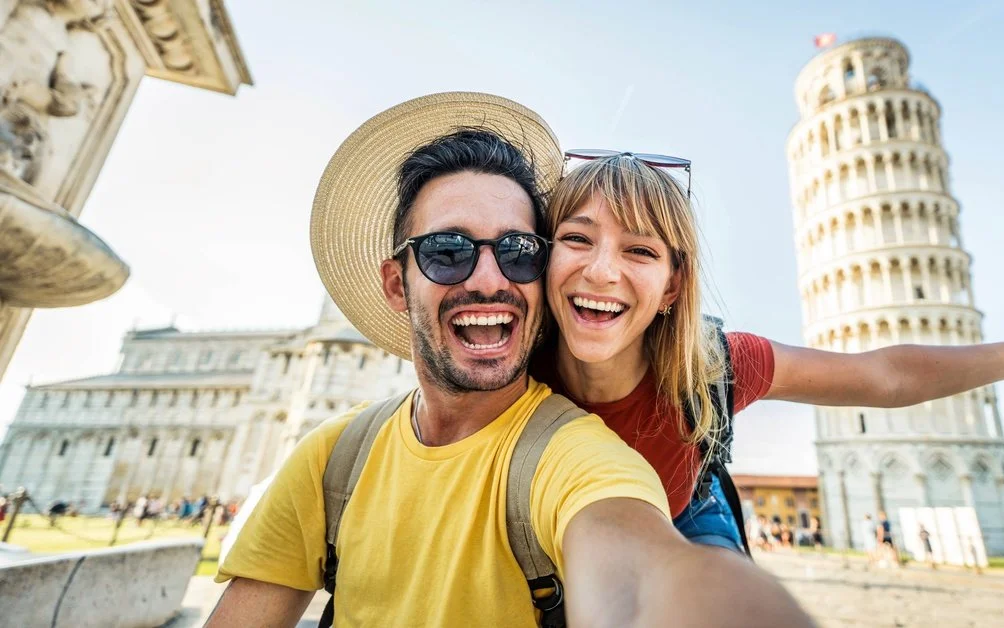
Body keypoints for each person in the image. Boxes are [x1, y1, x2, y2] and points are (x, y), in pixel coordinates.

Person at [208, 93, 810, 628]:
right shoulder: (332, 459)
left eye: (520, 252)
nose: (491, 279)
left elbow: (640, 570)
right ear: (397, 285)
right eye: (449, 251)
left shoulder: (577, 454)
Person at [535, 151, 1004, 555]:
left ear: (674, 285)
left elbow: (884, 376)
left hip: (684, 517)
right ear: (543, 254)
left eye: (640, 251)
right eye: (576, 238)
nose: (602, 270)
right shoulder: (514, 370)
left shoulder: (716, 366)